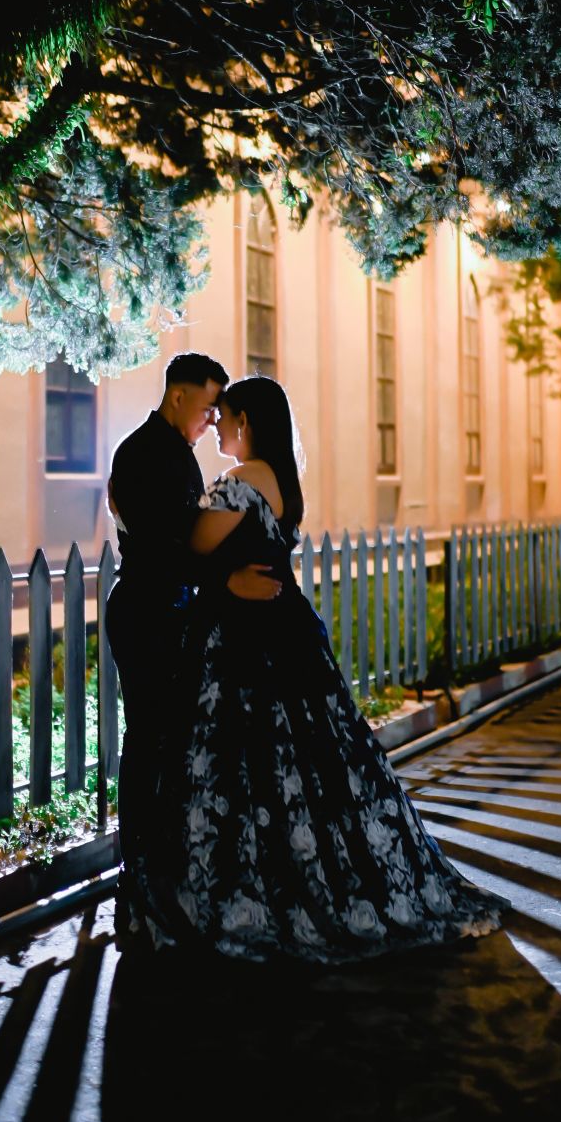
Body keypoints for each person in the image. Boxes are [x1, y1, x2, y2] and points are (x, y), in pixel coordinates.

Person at [117, 374, 507, 963]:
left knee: (244, 763)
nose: (217, 425)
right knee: (299, 762)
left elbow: (193, 543)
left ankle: (244, 888)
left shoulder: (244, 480)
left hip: (245, 640)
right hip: (286, 630)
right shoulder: (279, 479)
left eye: (226, 414)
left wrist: (130, 514)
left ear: (246, 421)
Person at [106, 353, 281, 908]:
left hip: (175, 611)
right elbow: (162, 548)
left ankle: (166, 862)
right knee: (147, 736)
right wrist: (227, 579)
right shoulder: (140, 453)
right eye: (208, 408)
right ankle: (136, 865)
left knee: (173, 738)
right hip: (144, 612)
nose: (212, 420)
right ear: (178, 396)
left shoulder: (178, 453)